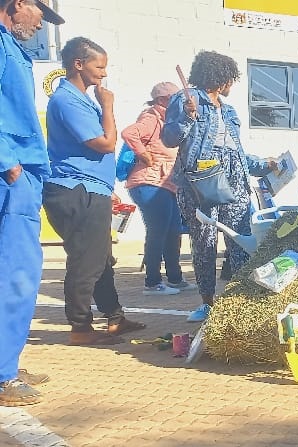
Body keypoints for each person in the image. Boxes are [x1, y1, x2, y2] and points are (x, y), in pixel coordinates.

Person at [42, 37, 146, 346]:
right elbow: (104, 143)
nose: (104, 74)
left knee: (101, 259)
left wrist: (105, 188)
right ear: (78, 64)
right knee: (86, 261)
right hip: (76, 190)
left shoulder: (81, 100)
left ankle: (114, 317)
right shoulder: (67, 100)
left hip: (91, 188)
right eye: (99, 67)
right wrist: (108, 106)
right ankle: (80, 328)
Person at [162, 51, 275, 323]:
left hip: (235, 180)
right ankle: (208, 303)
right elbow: (169, 139)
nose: (231, 85)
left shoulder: (229, 110)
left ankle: (238, 300)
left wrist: (263, 164)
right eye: (230, 79)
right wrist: (187, 117)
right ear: (220, 77)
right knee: (205, 242)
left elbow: (235, 151)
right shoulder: (187, 99)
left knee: (240, 239)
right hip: (202, 181)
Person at [0, 0, 64, 406]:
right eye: (42, 14)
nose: (42, 24)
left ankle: (6, 361)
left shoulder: (10, 46)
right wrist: (8, 164)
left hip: (18, 171)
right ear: (19, 3)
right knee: (17, 275)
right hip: (11, 172)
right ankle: (2, 376)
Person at [122, 81, 191, 296]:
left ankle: (175, 278)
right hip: (149, 183)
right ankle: (152, 282)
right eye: (175, 98)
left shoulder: (169, 120)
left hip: (165, 184)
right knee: (158, 231)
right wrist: (143, 154)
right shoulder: (151, 118)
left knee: (173, 230)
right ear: (163, 100)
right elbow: (129, 133)